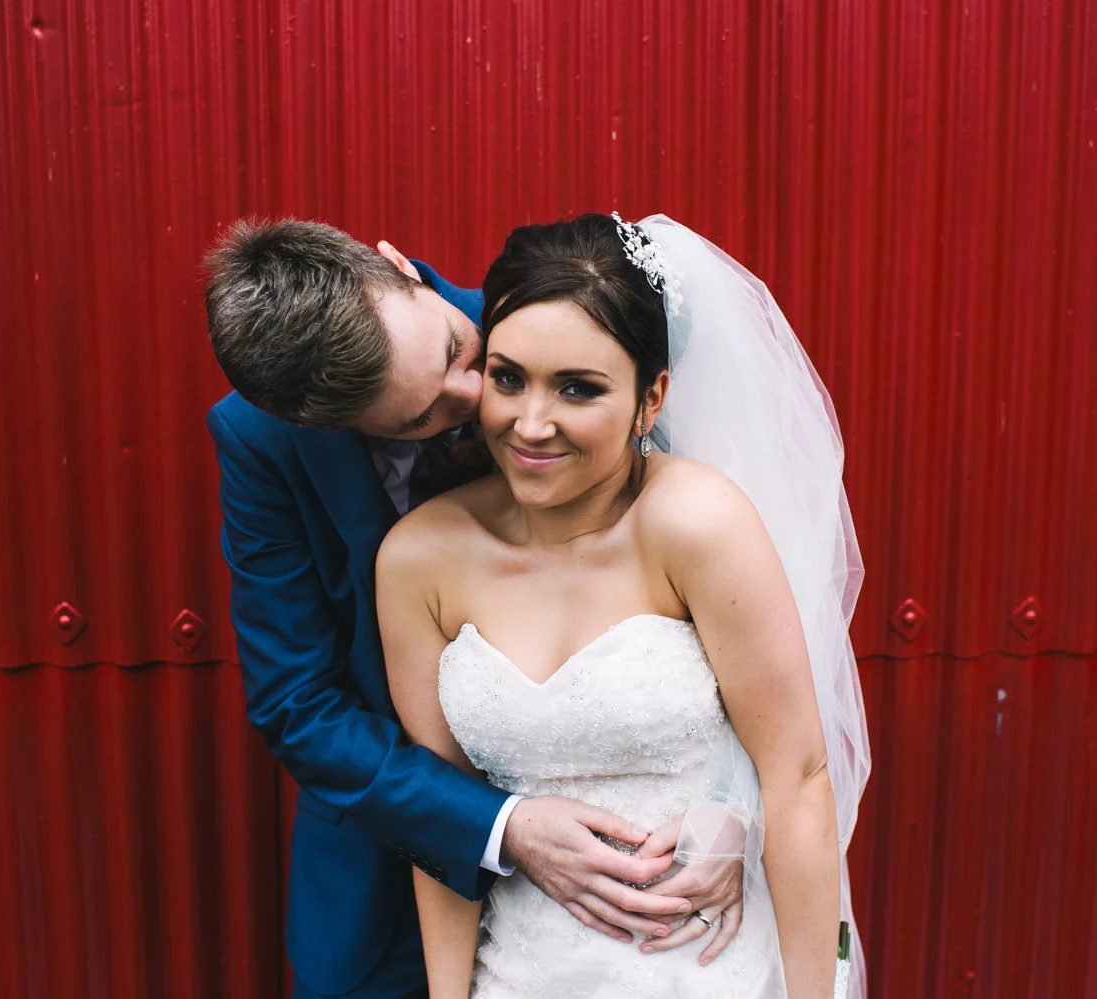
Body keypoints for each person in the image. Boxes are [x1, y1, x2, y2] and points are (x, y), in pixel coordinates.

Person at [202, 219, 744, 999]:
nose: (480, 403)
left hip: (652, 887)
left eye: (459, 351)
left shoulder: (582, 323)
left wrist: (735, 807)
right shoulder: (260, 440)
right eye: (417, 419)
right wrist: (498, 826)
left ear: (397, 266)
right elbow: (298, 703)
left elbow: (743, 632)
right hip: (392, 873)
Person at [376, 213, 871, 998]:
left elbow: (798, 774)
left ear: (652, 399)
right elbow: (438, 810)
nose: (530, 423)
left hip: (704, 968)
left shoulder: (698, 524)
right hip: (520, 972)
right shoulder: (416, 558)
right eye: (508, 378)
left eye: (578, 388)